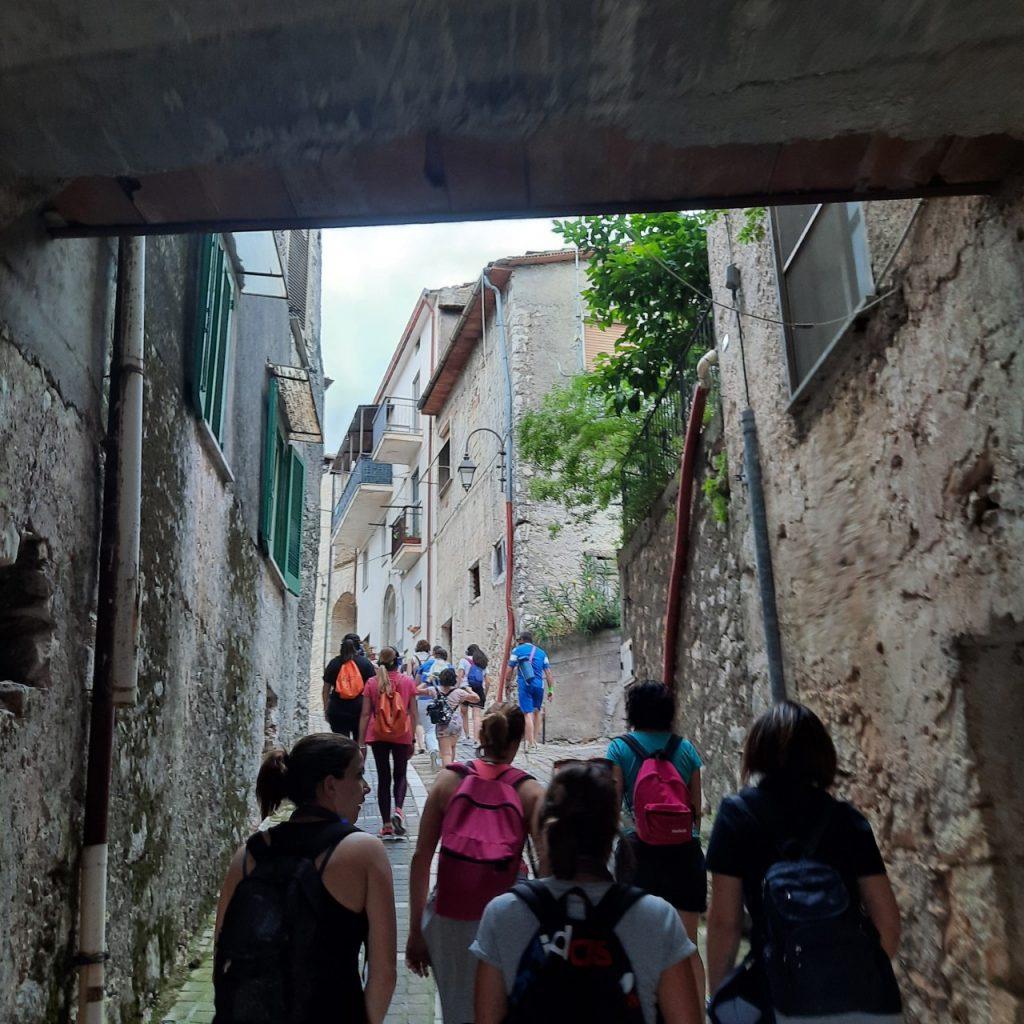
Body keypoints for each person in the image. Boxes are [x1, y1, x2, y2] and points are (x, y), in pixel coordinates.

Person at [705, 701, 902, 1017]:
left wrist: (720, 999)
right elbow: (888, 922)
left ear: (758, 750)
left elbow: (724, 924)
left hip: (780, 996)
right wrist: (853, 977)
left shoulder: (736, 816)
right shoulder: (847, 819)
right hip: (863, 1002)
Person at [471, 759, 703, 1024]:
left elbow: (486, 1018)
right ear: (611, 832)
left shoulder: (504, 914)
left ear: (547, 831)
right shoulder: (657, 919)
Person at [213, 734, 397, 1024]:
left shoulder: (248, 855)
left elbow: (222, 953)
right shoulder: (365, 852)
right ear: (330, 785)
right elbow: (383, 972)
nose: (366, 787)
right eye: (358, 775)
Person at [407, 704, 545, 1024]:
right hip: (508, 918)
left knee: (457, 1010)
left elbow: (421, 859)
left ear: (481, 736)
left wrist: (416, 932)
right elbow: (548, 870)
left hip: (448, 917)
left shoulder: (447, 781)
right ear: (517, 741)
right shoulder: (530, 792)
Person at [606, 680, 708, 1004]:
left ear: (633, 711)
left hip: (638, 853)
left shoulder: (619, 749)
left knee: (636, 942)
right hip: (684, 853)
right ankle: (696, 1013)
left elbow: (612, 807)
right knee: (687, 945)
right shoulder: (686, 748)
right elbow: (696, 811)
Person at [358, 647, 419, 838]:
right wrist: (413, 738)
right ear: (397, 661)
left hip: (378, 734)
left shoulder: (372, 682)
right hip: (402, 734)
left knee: (383, 777)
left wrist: (361, 741)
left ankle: (386, 824)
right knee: (400, 774)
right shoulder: (407, 681)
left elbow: (365, 714)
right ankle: (398, 811)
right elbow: (413, 712)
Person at [420, 666, 480, 766]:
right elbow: (476, 698)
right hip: (456, 723)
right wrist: (469, 690)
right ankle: (452, 770)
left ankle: (447, 772)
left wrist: (427, 680)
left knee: (446, 753)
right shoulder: (459, 692)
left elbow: (417, 690)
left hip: (443, 724)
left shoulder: (434, 690)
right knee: (452, 748)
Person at [322, 635, 375, 739]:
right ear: (359, 646)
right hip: (360, 709)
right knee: (359, 742)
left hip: (337, 709)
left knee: (341, 742)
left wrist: (326, 708)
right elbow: (373, 688)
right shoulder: (365, 663)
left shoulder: (334, 663)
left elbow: (325, 690)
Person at [507, 631, 554, 750]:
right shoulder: (542, 653)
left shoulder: (517, 651)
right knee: (537, 711)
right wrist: (551, 690)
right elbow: (548, 673)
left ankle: (530, 742)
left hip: (525, 684)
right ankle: (535, 741)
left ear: (522, 640)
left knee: (527, 713)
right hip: (539, 685)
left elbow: (509, 669)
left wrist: (507, 684)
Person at [407, 639, 434, 755]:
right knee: (430, 721)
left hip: (416, 690)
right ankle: (430, 743)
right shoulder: (432, 659)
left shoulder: (412, 659)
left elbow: (409, 676)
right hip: (430, 689)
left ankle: (420, 745)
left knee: (417, 719)